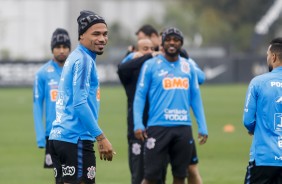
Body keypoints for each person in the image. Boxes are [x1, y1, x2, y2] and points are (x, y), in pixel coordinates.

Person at [133, 27, 208, 184]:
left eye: (176, 40)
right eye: (168, 40)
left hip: (183, 127)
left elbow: (195, 97)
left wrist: (202, 126)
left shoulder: (188, 66)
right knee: (151, 177)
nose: (172, 43)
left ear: (181, 43)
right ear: (162, 43)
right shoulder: (151, 65)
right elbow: (140, 96)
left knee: (180, 176)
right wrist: (138, 123)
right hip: (158, 127)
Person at [49, 10, 115, 184]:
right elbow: (79, 104)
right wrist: (101, 138)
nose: (102, 39)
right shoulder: (84, 60)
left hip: (60, 137)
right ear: (81, 36)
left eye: (105, 34)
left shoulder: (75, 57)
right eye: (96, 34)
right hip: (75, 139)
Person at [117, 38, 161, 184]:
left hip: (156, 126)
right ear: (136, 52)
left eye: (151, 49)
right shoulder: (130, 73)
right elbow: (121, 68)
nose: (149, 52)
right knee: (138, 173)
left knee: (158, 173)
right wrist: (144, 56)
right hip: (136, 129)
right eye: (145, 49)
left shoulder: (156, 69)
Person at [243, 38, 282, 184]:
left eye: (267, 55)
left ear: (273, 57)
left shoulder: (258, 82)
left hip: (264, 158)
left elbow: (248, 120)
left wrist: (254, 128)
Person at [33, 28, 71, 169]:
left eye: (65, 47)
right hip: (53, 133)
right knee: (59, 177)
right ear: (52, 49)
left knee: (77, 176)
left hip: (74, 131)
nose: (62, 50)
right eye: (58, 47)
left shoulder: (75, 70)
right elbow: (37, 105)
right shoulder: (42, 73)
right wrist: (40, 137)